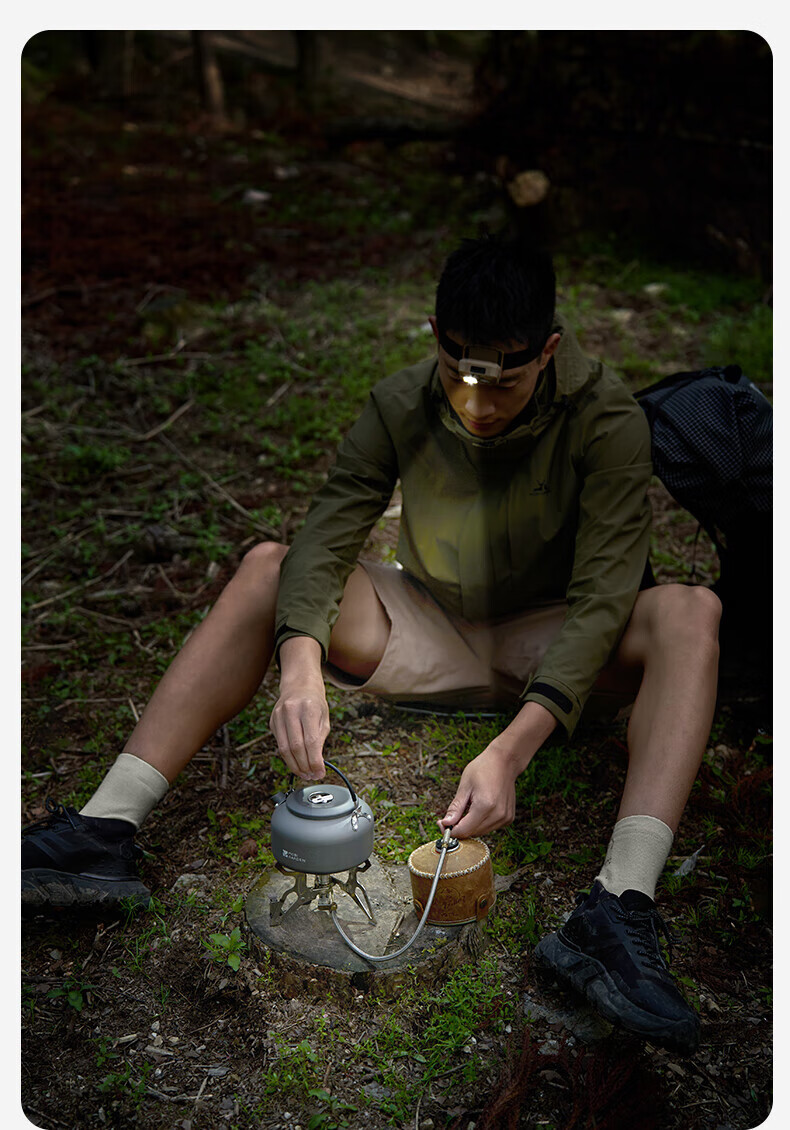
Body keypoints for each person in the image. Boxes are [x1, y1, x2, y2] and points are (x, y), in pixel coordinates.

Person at [22, 234, 721, 1056]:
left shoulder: (607, 418)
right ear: (434, 335)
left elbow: (605, 598)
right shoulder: (399, 401)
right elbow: (326, 535)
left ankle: (618, 905)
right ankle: (104, 831)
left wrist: (513, 749)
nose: (478, 404)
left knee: (690, 612)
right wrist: (299, 666)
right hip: (426, 627)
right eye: (458, 373)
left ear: (549, 350)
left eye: (505, 381)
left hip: (555, 639)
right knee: (268, 567)